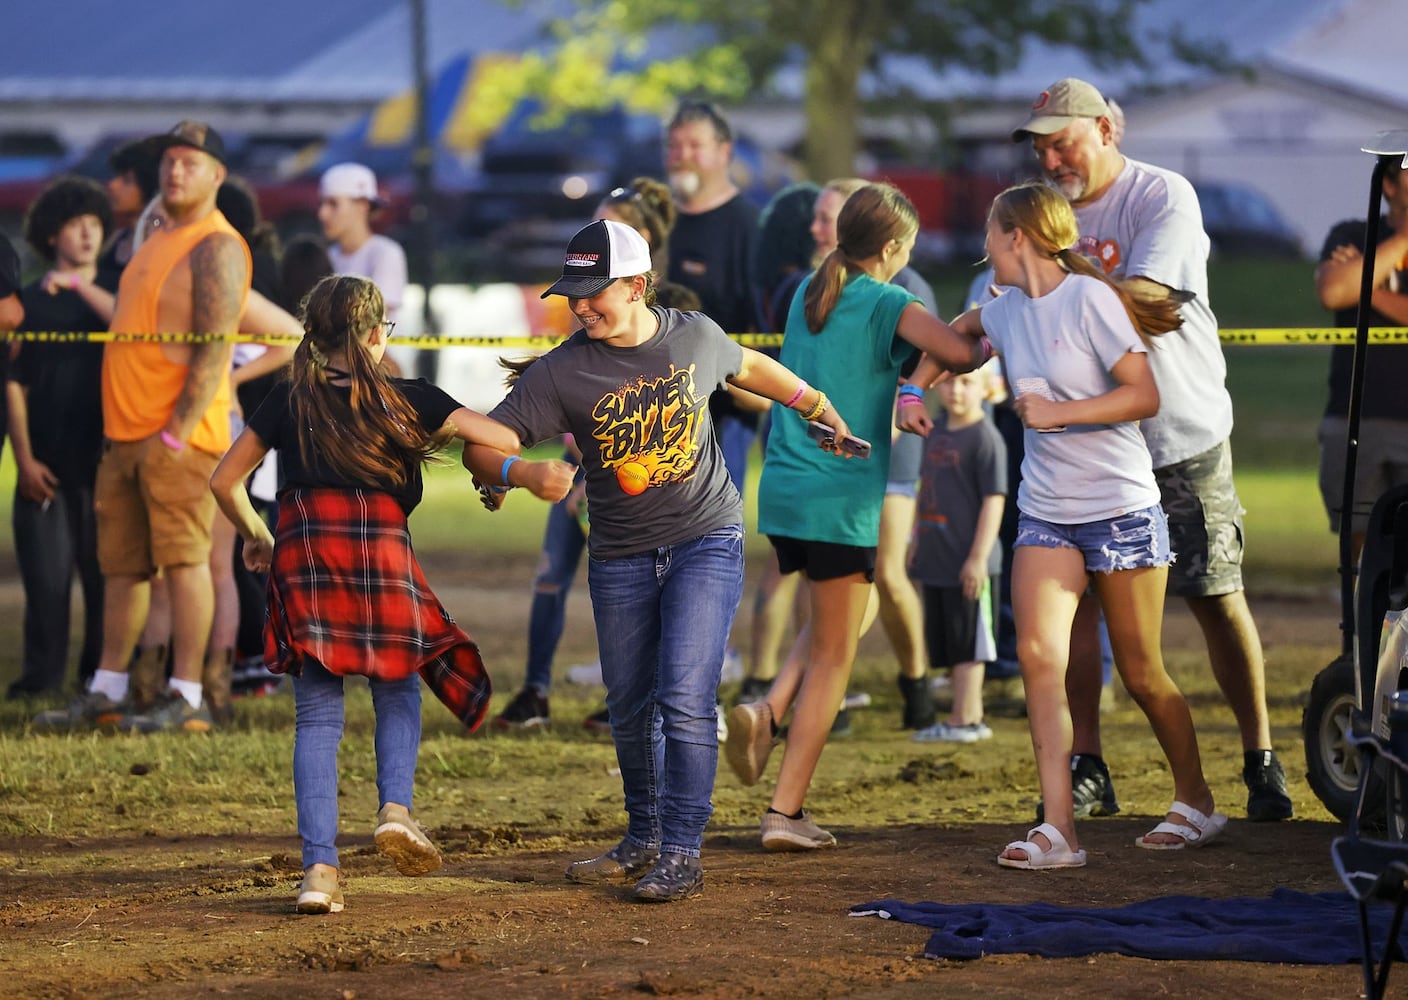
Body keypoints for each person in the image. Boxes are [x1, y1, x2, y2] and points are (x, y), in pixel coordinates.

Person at [465, 218, 854, 901]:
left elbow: (747, 364)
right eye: (573, 294)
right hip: (618, 553)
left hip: (706, 537)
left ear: (637, 285)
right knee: (628, 705)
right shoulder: (563, 370)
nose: (581, 306)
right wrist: (518, 473)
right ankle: (642, 837)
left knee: (684, 696)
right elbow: (482, 442)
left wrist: (815, 403)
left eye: (596, 292)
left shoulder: (694, 336)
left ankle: (682, 851)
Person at [209, 274, 570, 913]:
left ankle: (319, 872)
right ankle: (396, 808)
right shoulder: (413, 398)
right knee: (398, 683)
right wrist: (481, 461)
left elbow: (224, 482)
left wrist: (257, 536)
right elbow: (504, 439)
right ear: (377, 334)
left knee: (317, 715)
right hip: (378, 553)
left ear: (314, 336)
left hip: (306, 554)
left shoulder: (288, 399)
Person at [903, 181, 1224, 868]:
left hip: (1120, 508)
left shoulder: (1091, 300)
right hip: (1047, 512)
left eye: (990, 234)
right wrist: (911, 387)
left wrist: (1057, 414)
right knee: (1043, 664)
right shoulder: (1007, 308)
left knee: (1141, 673)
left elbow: (1144, 394)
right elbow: (959, 336)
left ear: (1015, 237)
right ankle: (1060, 831)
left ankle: (1196, 798)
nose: (983, 247)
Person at [1012, 77, 1293, 823]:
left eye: (1062, 141)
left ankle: (1260, 756)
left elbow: (1140, 299)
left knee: (1214, 595)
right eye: (1040, 146)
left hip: (1177, 438)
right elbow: (1012, 299)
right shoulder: (1047, 213)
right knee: (1078, 616)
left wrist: (1052, 277)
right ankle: (1090, 765)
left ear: (1107, 129)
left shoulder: (1161, 196)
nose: (1050, 157)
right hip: (1086, 446)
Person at [725, 183, 985, 851]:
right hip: (841, 496)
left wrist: (905, 380)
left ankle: (768, 708)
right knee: (838, 654)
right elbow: (958, 354)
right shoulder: (889, 299)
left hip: (786, 486)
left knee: (834, 618)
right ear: (894, 248)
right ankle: (785, 812)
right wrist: (991, 322)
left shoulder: (814, 290)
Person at [32, 120, 252, 734]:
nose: (174, 171)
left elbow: (215, 346)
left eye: (189, 161)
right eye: (168, 161)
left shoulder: (216, 244)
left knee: (186, 567)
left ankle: (186, 696)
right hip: (126, 436)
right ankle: (107, 688)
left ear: (216, 175)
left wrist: (178, 431)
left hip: (177, 439)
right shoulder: (158, 237)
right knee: (123, 568)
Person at [739, 177, 940, 732]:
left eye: (827, 217)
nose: (816, 227)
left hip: (868, 460)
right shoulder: (818, 287)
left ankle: (913, 684)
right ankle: (786, 708)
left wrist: (910, 395)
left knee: (884, 581)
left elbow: (930, 357)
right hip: (842, 470)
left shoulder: (891, 286)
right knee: (842, 596)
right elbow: (957, 349)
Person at [492, 177, 680, 732]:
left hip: (636, 484)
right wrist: (512, 469)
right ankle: (535, 691)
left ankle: (638, 695)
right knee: (552, 576)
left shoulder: (665, 325)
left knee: (644, 587)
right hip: (579, 470)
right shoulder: (590, 324)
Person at [5, 177, 115, 700]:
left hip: (104, 464)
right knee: (47, 586)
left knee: (104, 581)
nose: (87, 235)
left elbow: (126, 328)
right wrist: (24, 459)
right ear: (51, 235)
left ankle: (98, 679)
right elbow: (13, 387)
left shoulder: (117, 295)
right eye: (75, 225)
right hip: (45, 464)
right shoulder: (27, 305)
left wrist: (83, 289)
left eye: (94, 224)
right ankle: (40, 680)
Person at [1313, 157, 1408, 562]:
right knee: (1359, 539)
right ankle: (1369, 621)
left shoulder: (1361, 249)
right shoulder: (1352, 231)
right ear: (1388, 186)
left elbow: (1347, 288)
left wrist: (1363, 283)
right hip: (1355, 414)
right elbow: (1333, 292)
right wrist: (1404, 240)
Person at [909, 366, 1006, 743]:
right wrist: (916, 536)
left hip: (969, 561)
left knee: (970, 641)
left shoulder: (986, 439)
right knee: (949, 639)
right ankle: (960, 715)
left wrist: (978, 557)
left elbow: (994, 501)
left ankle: (967, 718)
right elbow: (925, 487)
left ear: (986, 389)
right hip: (937, 556)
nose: (956, 390)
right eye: (949, 381)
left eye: (967, 382)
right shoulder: (934, 430)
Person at [99, 137, 161, 274]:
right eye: (116, 176)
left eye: (127, 181)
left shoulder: (160, 239)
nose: (113, 185)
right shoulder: (116, 239)